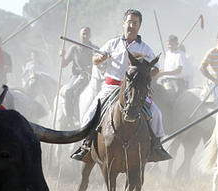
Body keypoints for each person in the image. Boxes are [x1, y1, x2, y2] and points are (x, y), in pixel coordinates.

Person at [71, 9, 168, 161]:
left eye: (135, 23)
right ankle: (86, 145)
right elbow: (94, 59)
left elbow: (156, 69)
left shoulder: (145, 48)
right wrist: (101, 57)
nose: (131, 25)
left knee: (156, 114)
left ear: (139, 26)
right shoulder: (112, 43)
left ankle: (156, 147)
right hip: (111, 88)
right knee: (89, 114)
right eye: (129, 22)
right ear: (124, 24)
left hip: (134, 90)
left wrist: (147, 69)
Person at [60, 26, 95, 125]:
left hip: (92, 77)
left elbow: (101, 62)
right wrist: (62, 56)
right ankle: (70, 119)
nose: (85, 35)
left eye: (87, 34)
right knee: (68, 92)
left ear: (90, 35)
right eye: (83, 33)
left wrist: (92, 67)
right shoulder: (74, 48)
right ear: (79, 35)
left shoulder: (94, 48)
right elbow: (63, 64)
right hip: (77, 76)